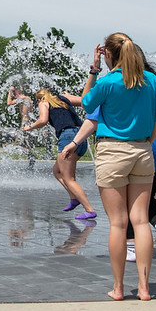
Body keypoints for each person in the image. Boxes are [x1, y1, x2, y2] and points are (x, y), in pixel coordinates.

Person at [78, 33, 156, 301]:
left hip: (112, 152)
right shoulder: (151, 81)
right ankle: (144, 288)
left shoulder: (107, 82)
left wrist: (93, 71)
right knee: (141, 221)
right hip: (142, 151)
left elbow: (86, 103)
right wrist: (143, 143)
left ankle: (118, 288)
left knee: (118, 224)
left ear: (108, 55)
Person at [23, 89, 97, 220]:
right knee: (57, 170)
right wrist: (70, 96)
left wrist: (30, 127)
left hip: (67, 137)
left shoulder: (44, 102)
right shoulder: (62, 99)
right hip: (81, 137)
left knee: (69, 178)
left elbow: (43, 120)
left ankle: (89, 209)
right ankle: (74, 198)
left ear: (39, 99)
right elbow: (85, 101)